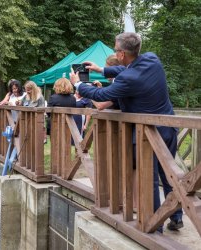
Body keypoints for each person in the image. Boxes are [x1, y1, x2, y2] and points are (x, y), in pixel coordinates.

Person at [69, 32, 183, 232]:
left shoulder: (128, 79)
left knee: (149, 179)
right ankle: (177, 216)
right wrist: (101, 69)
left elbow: (100, 94)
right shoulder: (152, 60)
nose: (114, 51)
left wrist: (78, 84)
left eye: (115, 49)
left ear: (121, 54)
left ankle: (155, 226)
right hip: (169, 129)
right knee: (170, 176)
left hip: (147, 135)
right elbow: (127, 68)